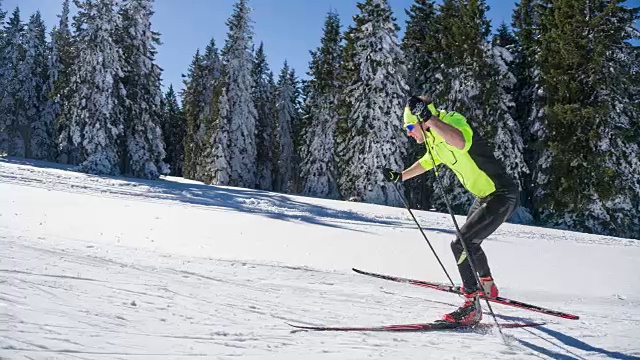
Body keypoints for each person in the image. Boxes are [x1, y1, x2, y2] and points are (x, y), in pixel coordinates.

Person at [383, 95, 519, 326]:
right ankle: (486, 285)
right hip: (485, 196)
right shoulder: (434, 141)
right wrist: (401, 176)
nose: (408, 132)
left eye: (409, 126)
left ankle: (471, 307)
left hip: (502, 194)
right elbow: (427, 162)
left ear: (421, 121)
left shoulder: (451, 121)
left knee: (461, 243)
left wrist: (431, 119)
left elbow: (461, 141)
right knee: (469, 243)